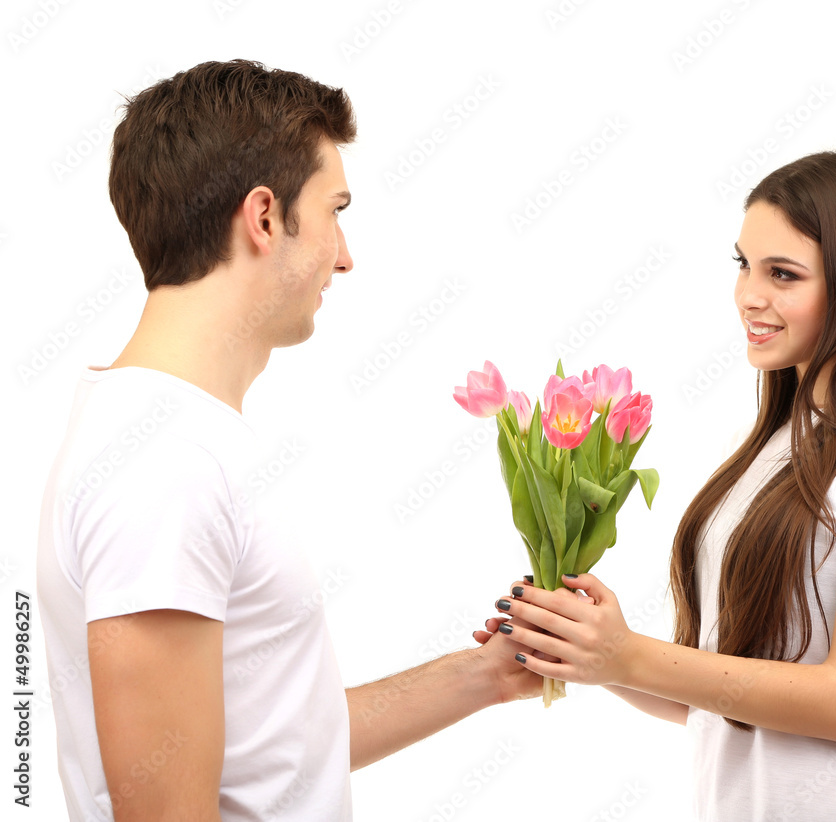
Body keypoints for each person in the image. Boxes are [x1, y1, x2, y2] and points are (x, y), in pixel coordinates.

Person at [35, 59, 539, 822]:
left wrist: (488, 674)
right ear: (264, 218)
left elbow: (267, 743)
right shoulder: (162, 464)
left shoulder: (172, 437)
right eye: (334, 210)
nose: (345, 256)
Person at [491, 151, 836, 819]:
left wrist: (627, 655)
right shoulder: (778, 441)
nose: (750, 294)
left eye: (784, 274)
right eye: (743, 264)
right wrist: (586, 650)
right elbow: (717, 694)